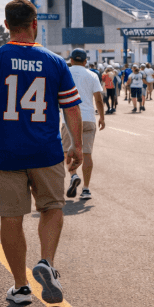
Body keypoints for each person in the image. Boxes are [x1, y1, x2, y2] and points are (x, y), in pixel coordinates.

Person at [0, 0, 83, 305]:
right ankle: (46, 262)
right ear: (35, 24)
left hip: (6, 151)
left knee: (11, 217)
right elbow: (71, 107)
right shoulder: (56, 62)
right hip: (46, 150)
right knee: (52, 207)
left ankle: (20, 287)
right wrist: (77, 145)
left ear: (6, 25)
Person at [63, 49, 105, 200]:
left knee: (67, 151)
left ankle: (73, 175)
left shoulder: (65, 72)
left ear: (71, 60)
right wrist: (102, 117)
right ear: (85, 61)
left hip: (69, 118)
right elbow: (98, 99)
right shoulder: (93, 75)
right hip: (88, 118)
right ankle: (86, 189)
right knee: (87, 153)